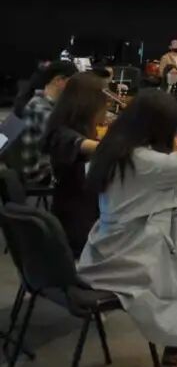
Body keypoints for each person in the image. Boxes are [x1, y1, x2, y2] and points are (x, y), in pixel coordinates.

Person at [78, 90, 177, 367]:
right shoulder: (142, 160)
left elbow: (163, 194)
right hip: (129, 259)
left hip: (114, 248)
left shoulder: (115, 150)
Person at [42, 72, 107, 253]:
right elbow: (87, 146)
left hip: (80, 211)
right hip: (77, 222)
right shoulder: (62, 134)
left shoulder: (65, 126)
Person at [14, 60, 78, 185]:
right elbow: (63, 137)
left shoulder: (47, 103)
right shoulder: (39, 107)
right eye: (74, 83)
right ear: (59, 81)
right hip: (40, 173)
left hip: (47, 165)